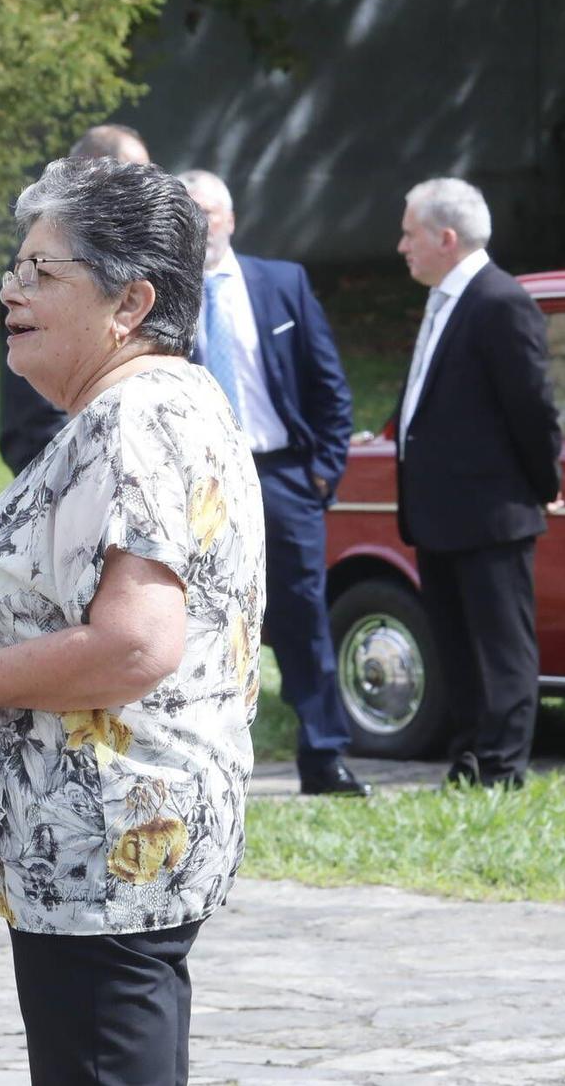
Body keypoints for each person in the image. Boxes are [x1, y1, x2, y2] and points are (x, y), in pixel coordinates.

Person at [0, 158, 266, 1086]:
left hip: (106, 860)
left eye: (43, 271)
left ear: (131, 302)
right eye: (16, 266)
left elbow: (134, 642)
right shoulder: (166, 402)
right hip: (100, 859)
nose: (10, 289)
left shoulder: (135, 419)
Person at [178, 169, 367, 797]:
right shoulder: (160, 292)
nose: (202, 226)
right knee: (201, 615)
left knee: (304, 613)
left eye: (211, 213)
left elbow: (329, 386)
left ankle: (325, 756)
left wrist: (322, 474)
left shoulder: (282, 283)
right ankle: (205, 762)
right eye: (189, 213)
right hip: (196, 480)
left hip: (282, 472)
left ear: (231, 219)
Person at [393, 177, 562, 790]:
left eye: (410, 234)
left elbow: (532, 407)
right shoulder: (446, 299)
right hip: (441, 511)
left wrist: (545, 482)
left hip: (493, 511)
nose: (401, 247)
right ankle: (468, 760)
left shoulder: (499, 301)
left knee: (500, 647)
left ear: (446, 236)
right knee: (457, 647)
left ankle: (503, 768)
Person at [0, 122, 153, 473]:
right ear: (91, 169)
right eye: (133, 173)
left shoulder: (149, 258)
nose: (145, 185)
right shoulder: (43, 263)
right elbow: (33, 415)